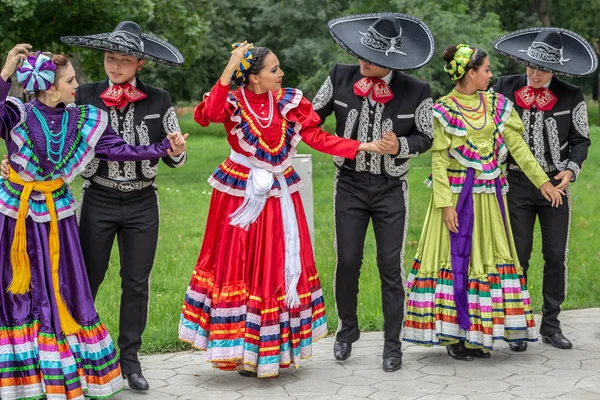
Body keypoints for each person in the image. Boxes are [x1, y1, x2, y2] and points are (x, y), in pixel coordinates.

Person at [178, 41, 392, 378]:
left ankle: (271, 351)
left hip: (279, 193)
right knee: (241, 265)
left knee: (275, 265)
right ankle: (240, 348)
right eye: (274, 69)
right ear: (253, 78)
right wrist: (230, 64)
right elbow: (208, 115)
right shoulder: (234, 101)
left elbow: (316, 137)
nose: (282, 74)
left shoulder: (289, 101)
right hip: (242, 193)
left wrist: (362, 146)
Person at [0, 46, 185, 399]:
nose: (77, 84)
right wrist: (6, 70)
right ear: (52, 87)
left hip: (86, 211)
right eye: (70, 80)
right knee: (45, 288)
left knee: (102, 286)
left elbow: (118, 148)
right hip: (41, 213)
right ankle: (36, 369)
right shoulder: (33, 110)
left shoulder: (94, 115)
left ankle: (114, 361)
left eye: (124, 59)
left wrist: (165, 149)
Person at [402, 44, 564, 361]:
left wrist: (543, 181)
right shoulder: (444, 110)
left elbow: (519, 148)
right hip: (456, 197)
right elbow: (438, 162)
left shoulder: (496, 105)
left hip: (489, 198)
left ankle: (477, 335)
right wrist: (445, 204)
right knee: (455, 261)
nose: (491, 75)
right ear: (470, 73)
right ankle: (454, 336)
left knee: (487, 260)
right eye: (486, 70)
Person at [59, 21, 187, 390]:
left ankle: (130, 360)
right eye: (110, 58)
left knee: (136, 283)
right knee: (87, 279)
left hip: (143, 202)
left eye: (124, 60)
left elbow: (175, 157)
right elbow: (57, 135)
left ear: (140, 64)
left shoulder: (159, 99)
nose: (115, 66)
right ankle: (81, 353)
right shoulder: (83, 96)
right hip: (97, 196)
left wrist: (177, 151)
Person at [312, 13, 435, 372]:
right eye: (360, 52)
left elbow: (426, 137)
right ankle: (346, 331)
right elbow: (310, 115)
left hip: (390, 188)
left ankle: (392, 345)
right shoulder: (339, 76)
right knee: (348, 260)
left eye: (370, 56)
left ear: (391, 60)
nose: (361, 59)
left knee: (389, 265)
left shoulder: (417, 90)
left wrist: (400, 145)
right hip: (348, 184)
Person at [492, 28, 596, 351]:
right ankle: (517, 324)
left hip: (555, 186)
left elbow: (581, 140)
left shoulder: (572, 95)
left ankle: (551, 323)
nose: (535, 74)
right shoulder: (503, 88)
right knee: (517, 254)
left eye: (543, 69)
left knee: (554, 255)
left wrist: (570, 170)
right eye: (531, 66)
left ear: (556, 70)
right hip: (516, 183)